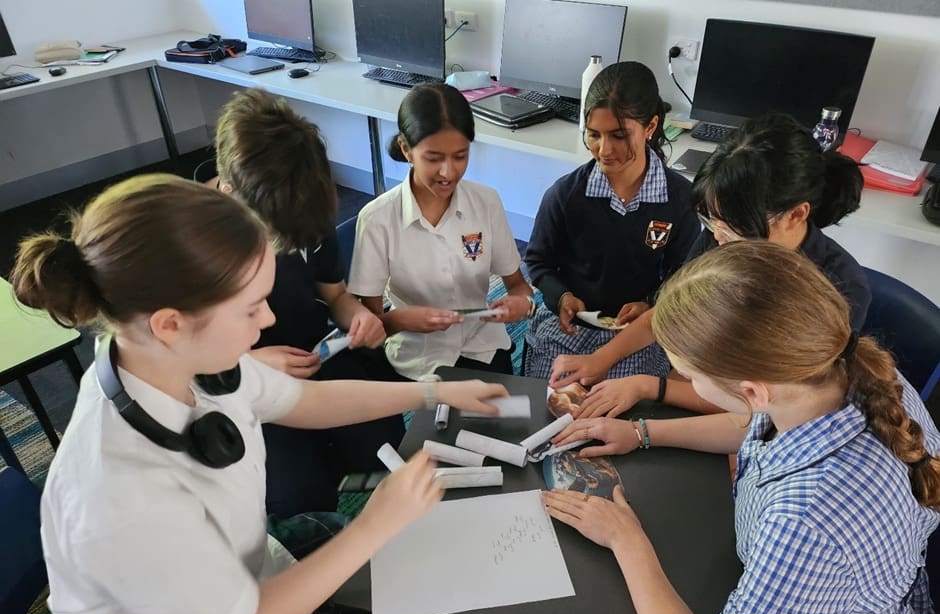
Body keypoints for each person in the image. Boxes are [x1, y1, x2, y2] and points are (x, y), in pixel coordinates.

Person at [10, 174, 509, 614]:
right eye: (251, 308)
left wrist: (432, 393)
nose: (269, 319)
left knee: (409, 573)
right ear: (171, 324)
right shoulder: (122, 491)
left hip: (246, 566)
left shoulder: (170, 360)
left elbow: (307, 402)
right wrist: (375, 523)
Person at [546, 241, 940, 614]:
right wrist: (643, 432)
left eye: (690, 376)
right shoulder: (861, 376)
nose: (688, 385)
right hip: (848, 601)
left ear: (753, 390)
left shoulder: (805, 525)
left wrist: (627, 542)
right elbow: (755, 428)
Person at [552, 112, 872, 420]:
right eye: (710, 221)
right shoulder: (721, 236)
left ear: (795, 215)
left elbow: (765, 407)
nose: (716, 238)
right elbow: (671, 313)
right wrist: (602, 359)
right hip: (710, 388)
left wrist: (650, 392)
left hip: (761, 418)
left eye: (731, 229)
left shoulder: (835, 290)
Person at [213, 88, 404, 516]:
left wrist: (357, 315)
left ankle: (325, 454)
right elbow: (179, 371)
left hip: (315, 355)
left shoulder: (302, 210)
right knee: (298, 499)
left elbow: (333, 292)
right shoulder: (189, 249)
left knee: (384, 442)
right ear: (228, 193)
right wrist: (249, 364)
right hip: (237, 381)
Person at [523, 61, 698, 380]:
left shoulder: (679, 200)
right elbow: (537, 261)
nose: (604, 150)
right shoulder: (565, 195)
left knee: (622, 408)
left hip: (638, 330)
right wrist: (561, 296)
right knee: (553, 401)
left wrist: (650, 304)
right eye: (594, 135)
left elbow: (682, 277)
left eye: (619, 135)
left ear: (650, 126)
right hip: (571, 327)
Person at [347, 82, 534, 380]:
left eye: (460, 156)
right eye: (434, 159)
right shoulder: (377, 219)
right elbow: (372, 326)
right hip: (416, 360)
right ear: (406, 149)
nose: (449, 172)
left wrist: (522, 303)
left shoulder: (486, 202)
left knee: (508, 419)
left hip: (481, 347)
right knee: (436, 426)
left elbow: (518, 286)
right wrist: (402, 319)